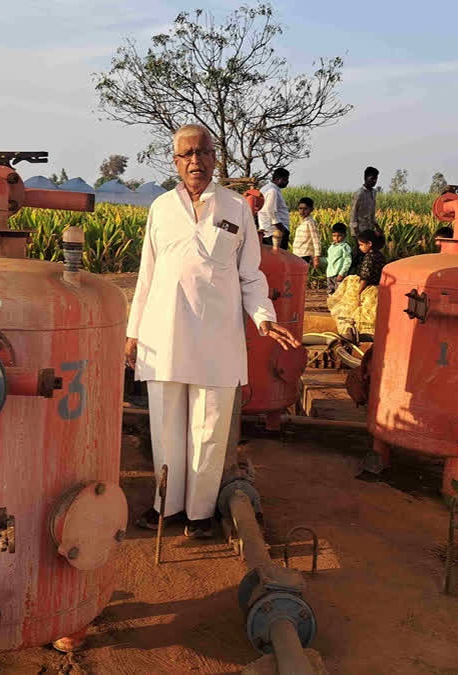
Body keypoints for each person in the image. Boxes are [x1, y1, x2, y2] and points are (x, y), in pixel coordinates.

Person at [126, 124, 300, 539]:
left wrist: (264, 316)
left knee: (209, 430)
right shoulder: (162, 208)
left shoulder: (236, 207)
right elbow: (146, 274)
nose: (195, 161)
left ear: (214, 157)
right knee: (166, 428)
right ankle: (165, 507)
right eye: (186, 154)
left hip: (219, 338)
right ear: (175, 161)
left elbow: (251, 275)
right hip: (163, 334)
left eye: (203, 152)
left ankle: (200, 513)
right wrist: (133, 332)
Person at [348, 166, 379, 270]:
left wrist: (376, 226)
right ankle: (350, 273)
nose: (374, 181)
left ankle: (364, 274)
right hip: (359, 229)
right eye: (371, 179)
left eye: (375, 179)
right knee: (358, 253)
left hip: (368, 229)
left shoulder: (374, 193)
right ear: (365, 178)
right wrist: (355, 230)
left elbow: (372, 212)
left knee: (367, 254)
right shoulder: (359, 193)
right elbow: (353, 212)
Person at [258, 168, 291, 249]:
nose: (287, 182)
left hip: (267, 230)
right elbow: (270, 210)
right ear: (277, 179)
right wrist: (281, 228)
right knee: (278, 257)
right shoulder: (272, 191)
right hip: (275, 232)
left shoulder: (265, 189)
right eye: (285, 179)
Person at [291, 197, 322, 268]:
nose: (302, 211)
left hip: (305, 255)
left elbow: (316, 239)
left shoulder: (310, 222)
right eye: (300, 208)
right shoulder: (302, 222)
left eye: (305, 209)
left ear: (311, 209)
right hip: (297, 254)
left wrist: (316, 257)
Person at [353, 229, 386, 294]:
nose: (359, 247)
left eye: (361, 245)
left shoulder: (369, 257)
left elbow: (365, 277)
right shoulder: (379, 254)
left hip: (370, 288)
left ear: (369, 243)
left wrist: (358, 292)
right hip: (380, 285)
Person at [326, 223, 351, 294]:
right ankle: (331, 304)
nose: (336, 238)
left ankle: (338, 305)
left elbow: (348, 261)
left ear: (345, 235)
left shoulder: (345, 247)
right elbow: (329, 260)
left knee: (339, 293)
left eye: (339, 236)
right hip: (329, 273)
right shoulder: (331, 247)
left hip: (338, 274)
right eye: (334, 236)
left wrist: (342, 273)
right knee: (330, 292)